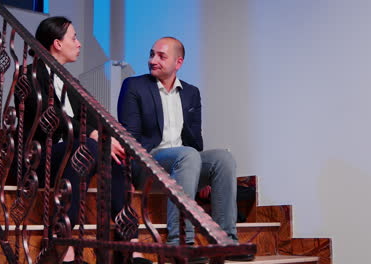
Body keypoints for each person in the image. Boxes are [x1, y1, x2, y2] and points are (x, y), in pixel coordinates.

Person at [17, 16, 150, 264]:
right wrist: (91, 134)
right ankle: (66, 248)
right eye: (74, 38)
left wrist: (108, 139)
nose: (78, 44)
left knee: (111, 152)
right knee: (89, 146)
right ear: (57, 43)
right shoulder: (29, 76)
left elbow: (94, 119)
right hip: (39, 155)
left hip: (75, 151)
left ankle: (130, 246)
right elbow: (48, 116)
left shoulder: (71, 83)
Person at [117, 37, 255, 263]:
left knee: (223, 158)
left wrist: (202, 174)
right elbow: (131, 138)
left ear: (178, 62)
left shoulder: (191, 93)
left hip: (184, 163)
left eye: (161, 56)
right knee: (187, 155)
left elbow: (194, 141)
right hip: (147, 163)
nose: (153, 60)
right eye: (152, 54)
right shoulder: (134, 86)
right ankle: (180, 241)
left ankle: (225, 240)